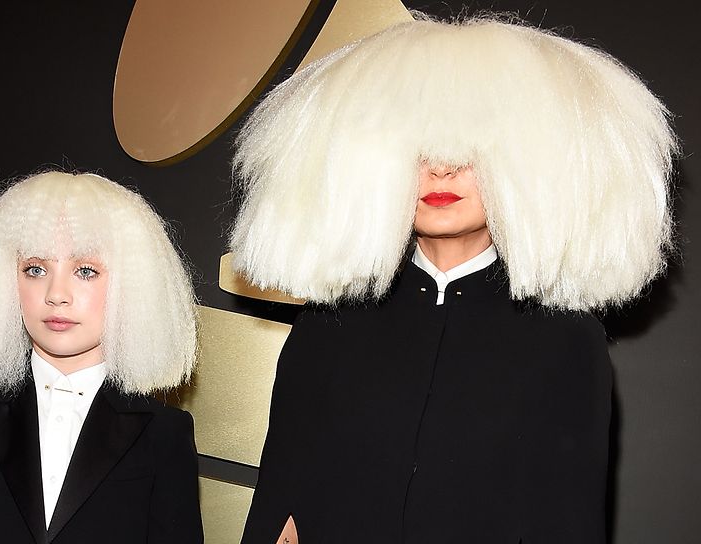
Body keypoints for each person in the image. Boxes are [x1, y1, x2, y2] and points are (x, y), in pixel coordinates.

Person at [230, 15, 676, 544]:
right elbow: (279, 505)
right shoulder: (329, 324)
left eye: (468, 152)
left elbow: (569, 520)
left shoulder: (565, 341)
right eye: (421, 150)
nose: (441, 171)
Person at [0, 171, 203, 543]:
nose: (56, 294)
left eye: (85, 271)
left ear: (132, 284)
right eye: (35, 269)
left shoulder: (164, 434)